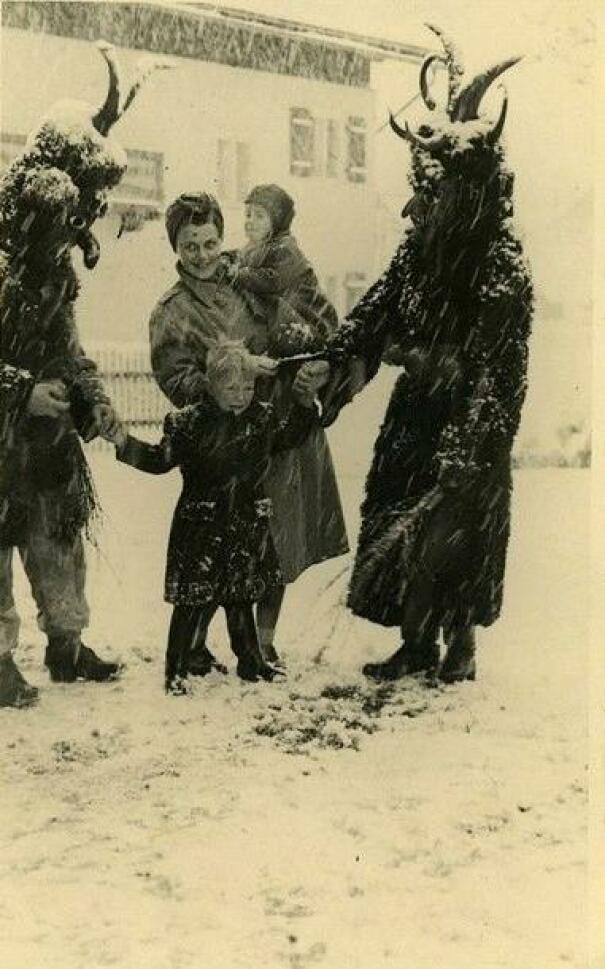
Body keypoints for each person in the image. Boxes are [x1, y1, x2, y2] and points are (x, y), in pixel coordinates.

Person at [300, 35, 533, 684]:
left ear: (464, 194)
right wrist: (338, 356)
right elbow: (373, 313)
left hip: (468, 423)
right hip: (416, 417)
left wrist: (471, 440)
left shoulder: (498, 262)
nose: (417, 206)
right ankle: (415, 640)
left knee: (455, 537)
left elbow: (500, 367)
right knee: (403, 525)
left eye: (431, 194)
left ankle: (458, 644)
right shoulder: (417, 253)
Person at [149, 193, 348, 668]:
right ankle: (194, 645)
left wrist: (310, 365)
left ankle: (263, 640)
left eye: (210, 242)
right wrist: (232, 378)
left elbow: (303, 323)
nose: (202, 255)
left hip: (273, 430)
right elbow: (176, 380)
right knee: (213, 545)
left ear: (222, 238)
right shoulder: (171, 312)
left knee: (270, 544)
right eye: (189, 245)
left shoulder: (249, 281)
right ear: (175, 247)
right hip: (220, 446)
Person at [104, 341, 319, 692]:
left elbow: (289, 437)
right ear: (211, 384)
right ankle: (176, 670)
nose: (241, 396)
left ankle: (251, 663)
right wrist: (122, 442)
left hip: (245, 522)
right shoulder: (189, 424)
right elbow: (159, 460)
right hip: (201, 526)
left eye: (248, 387)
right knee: (191, 601)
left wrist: (305, 405)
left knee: (239, 597)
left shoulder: (260, 420)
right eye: (231, 387)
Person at [224, 183, 338, 359]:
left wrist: (240, 275)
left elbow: (274, 280)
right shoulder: (257, 246)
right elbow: (241, 257)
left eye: (259, 216)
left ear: (276, 222)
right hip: (288, 320)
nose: (250, 221)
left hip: (310, 322)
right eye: (248, 215)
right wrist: (226, 259)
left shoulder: (286, 248)